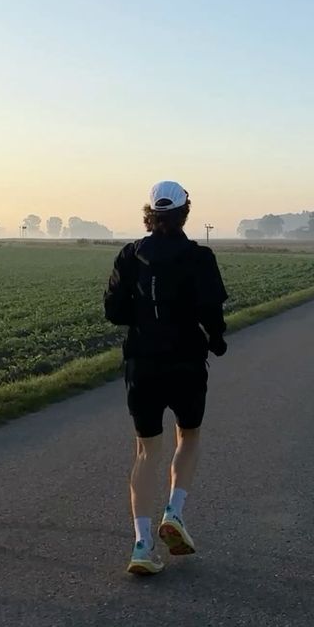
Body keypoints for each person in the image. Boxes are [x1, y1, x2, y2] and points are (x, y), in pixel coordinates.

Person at [104, 181, 228, 574]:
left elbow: (114, 311)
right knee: (188, 436)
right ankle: (174, 512)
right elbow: (212, 312)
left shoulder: (129, 255)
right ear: (184, 212)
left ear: (150, 214)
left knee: (145, 450)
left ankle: (142, 546)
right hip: (187, 361)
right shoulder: (199, 256)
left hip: (142, 362)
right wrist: (217, 339)